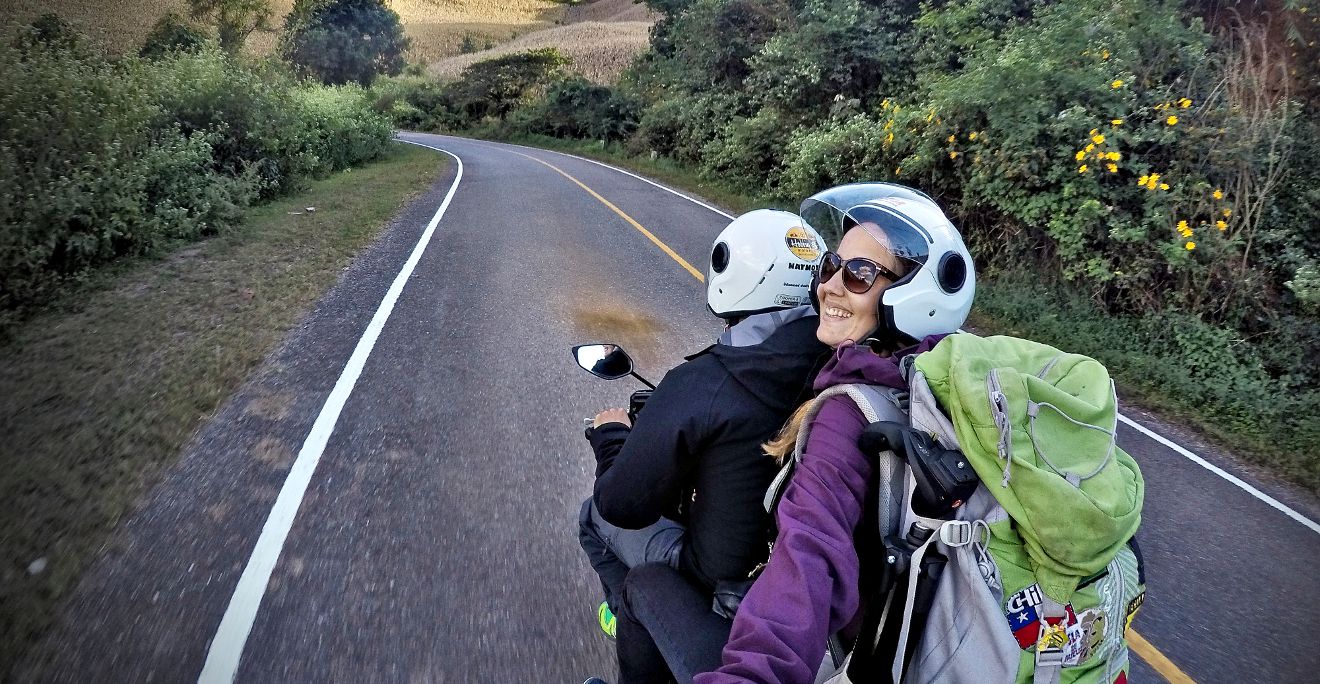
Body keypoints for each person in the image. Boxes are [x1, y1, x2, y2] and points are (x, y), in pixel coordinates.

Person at [692, 185, 977, 684]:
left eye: (859, 274)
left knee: (647, 589)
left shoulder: (848, 415)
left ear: (916, 294)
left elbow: (809, 555)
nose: (829, 286)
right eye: (830, 266)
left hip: (852, 655)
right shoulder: (956, 386)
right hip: (936, 646)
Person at [580, 210, 834, 683]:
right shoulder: (840, 357)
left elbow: (621, 504)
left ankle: (626, 616)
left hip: (717, 575)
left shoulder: (705, 382)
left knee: (591, 517)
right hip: (792, 574)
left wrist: (611, 435)